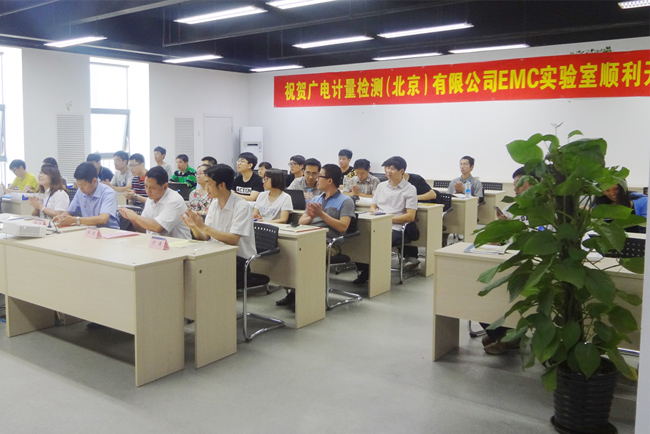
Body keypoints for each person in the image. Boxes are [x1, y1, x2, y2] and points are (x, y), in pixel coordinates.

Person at [275, 164, 354, 307]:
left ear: (329, 180)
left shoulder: (345, 201)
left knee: (306, 256)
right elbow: (301, 221)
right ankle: (293, 292)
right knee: (287, 254)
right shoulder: (316, 198)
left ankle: (307, 296)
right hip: (307, 238)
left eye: (320, 176)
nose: (316, 179)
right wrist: (311, 215)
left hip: (329, 243)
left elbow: (343, 227)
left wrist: (321, 215)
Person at [480, 166, 536, 355]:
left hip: (534, 266)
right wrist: (502, 228)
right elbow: (492, 242)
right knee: (478, 289)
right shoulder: (511, 208)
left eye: (519, 183)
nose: (515, 188)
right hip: (507, 261)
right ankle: (501, 333)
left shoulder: (549, 210)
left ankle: (507, 335)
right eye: (514, 184)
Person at [182, 164, 256, 289]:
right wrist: (194, 227)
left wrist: (204, 227)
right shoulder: (214, 204)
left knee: (200, 277)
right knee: (188, 271)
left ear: (221, 185)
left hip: (237, 261)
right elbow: (205, 237)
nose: (206, 187)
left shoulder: (242, 206)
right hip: (215, 254)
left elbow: (233, 239)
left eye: (209, 183)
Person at [355, 156, 418, 284]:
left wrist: (387, 219)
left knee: (376, 240)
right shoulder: (381, 186)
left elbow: (410, 216)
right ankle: (365, 269)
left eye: (392, 168)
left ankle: (372, 272)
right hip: (376, 223)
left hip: (395, 228)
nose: (388, 171)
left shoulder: (410, 189)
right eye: (387, 168)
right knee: (358, 239)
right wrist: (373, 211)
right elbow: (373, 206)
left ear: (402, 171)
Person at [118, 166, 191, 239]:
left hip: (179, 244)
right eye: (146, 186)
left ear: (165, 186)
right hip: (156, 242)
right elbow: (143, 229)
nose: (148, 191)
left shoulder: (174, 200)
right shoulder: (151, 199)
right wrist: (131, 218)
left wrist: (135, 217)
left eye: (152, 188)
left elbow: (158, 227)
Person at [53, 162, 119, 229]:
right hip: (89, 230)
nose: (81, 188)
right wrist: (62, 218)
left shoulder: (108, 193)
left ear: (94, 181)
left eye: (83, 185)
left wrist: (76, 220)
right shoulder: (80, 192)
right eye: (78, 184)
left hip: (109, 231)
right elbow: (70, 211)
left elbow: (103, 219)